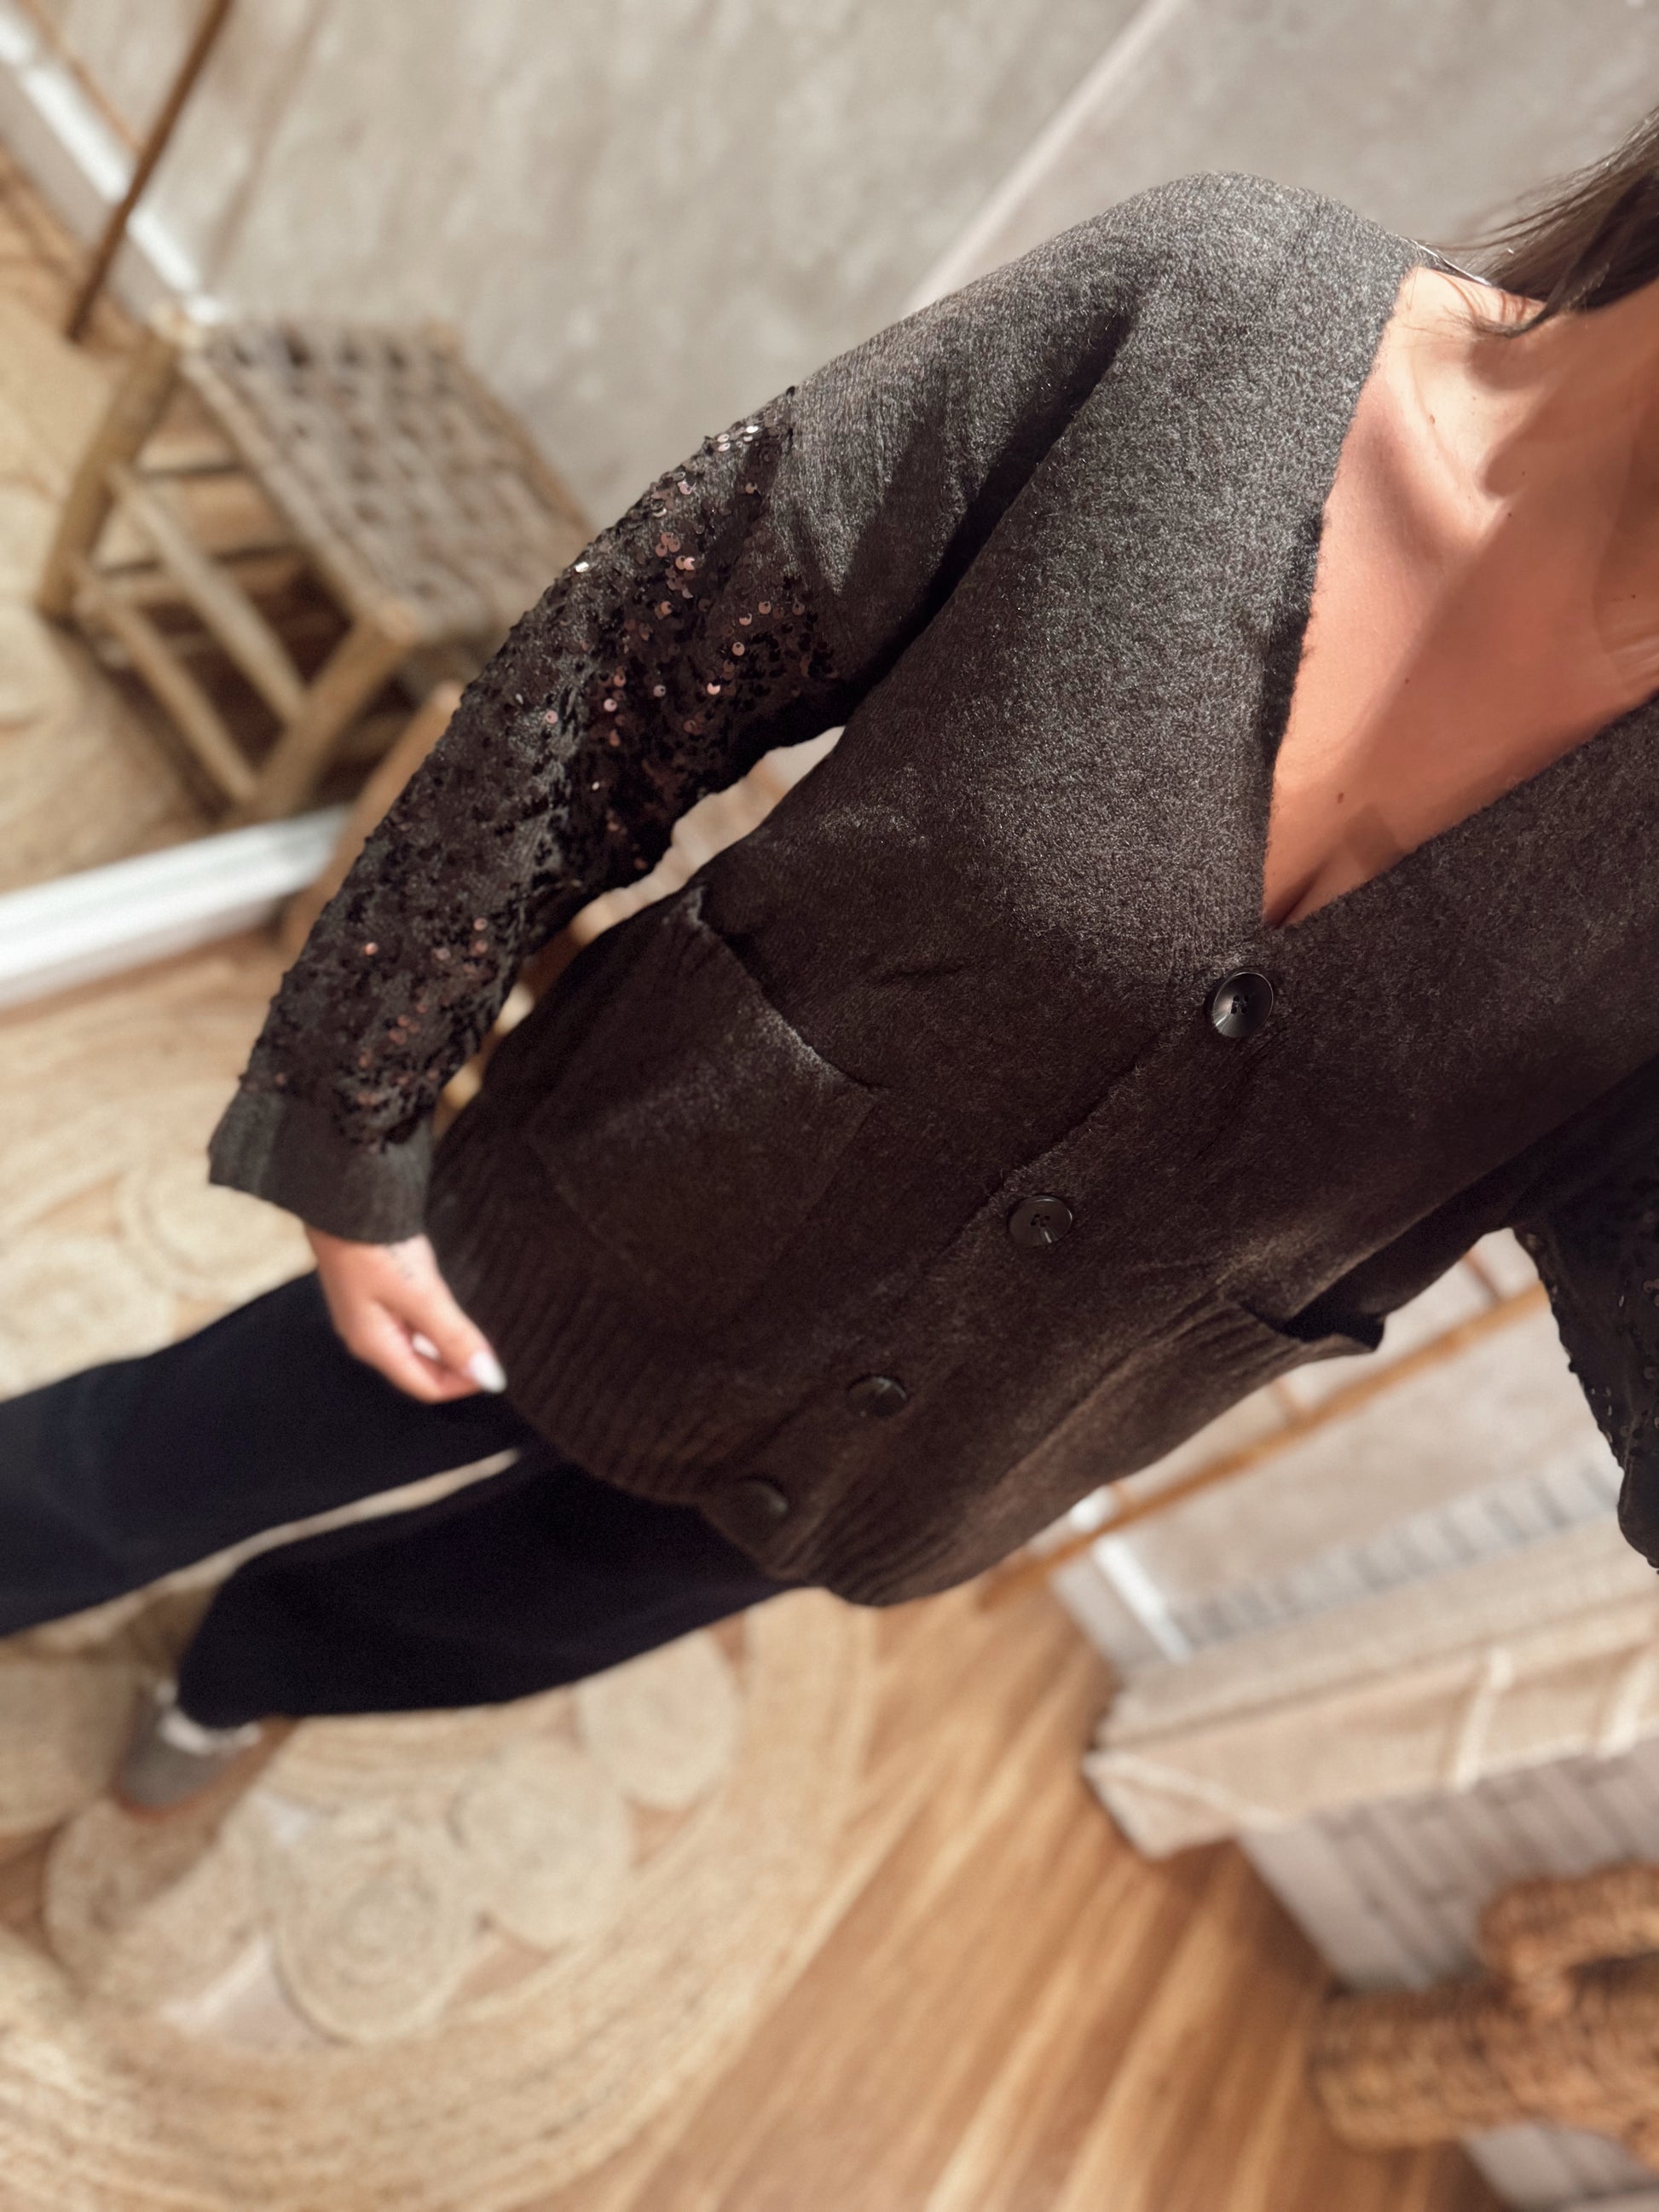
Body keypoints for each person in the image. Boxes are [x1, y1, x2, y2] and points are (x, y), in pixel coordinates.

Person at [8, 116, 1659, 1813]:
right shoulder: (1212, 316)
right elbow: (635, 663)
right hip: (622, 1194)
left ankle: (247, 1666)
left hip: (926, 1445)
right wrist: (361, 1097)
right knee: (158, 1455)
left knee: (489, 1622)